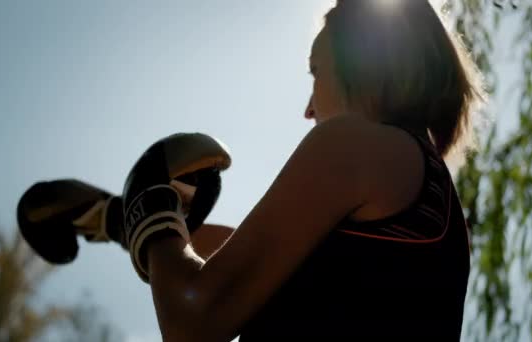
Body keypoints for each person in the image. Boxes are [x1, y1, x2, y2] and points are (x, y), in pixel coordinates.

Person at [143, 0, 486, 341]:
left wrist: (151, 205)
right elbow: (247, 251)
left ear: (365, 65)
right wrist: (121, 220)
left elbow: (192, 323)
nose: (308, 110)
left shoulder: (355, 146)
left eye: (316, 71)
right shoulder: (433, 200)